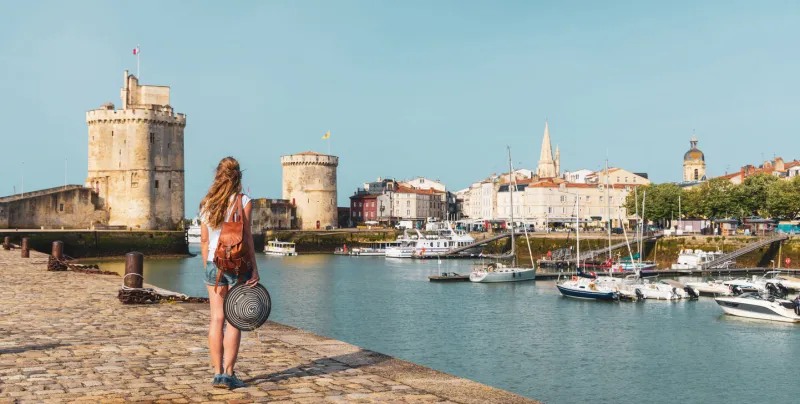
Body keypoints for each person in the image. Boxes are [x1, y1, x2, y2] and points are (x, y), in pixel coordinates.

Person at [199, 157, 260, 389]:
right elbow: (246, 238)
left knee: (216, 318)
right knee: (234, 320)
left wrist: (207, 265)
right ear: (238, 177)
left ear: (218, 175)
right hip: (237, 264)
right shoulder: (243, 200)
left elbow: (204, 240)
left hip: (213, 264)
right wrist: (254, 267)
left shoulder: (206, 203)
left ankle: (216, 373)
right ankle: (229, 373)